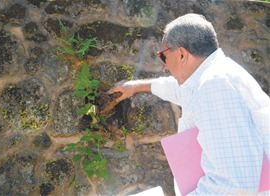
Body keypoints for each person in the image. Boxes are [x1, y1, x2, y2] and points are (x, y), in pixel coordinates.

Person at [107, 13, 270, 195]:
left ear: (182, 54)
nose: (165, 66)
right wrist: (136, 86)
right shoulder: (209, 78)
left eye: (163, 56)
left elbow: (235, 185)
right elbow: (177, 90)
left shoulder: (214, 86)